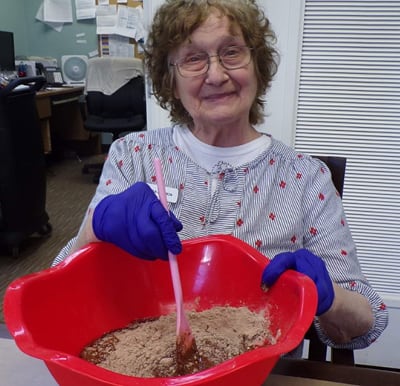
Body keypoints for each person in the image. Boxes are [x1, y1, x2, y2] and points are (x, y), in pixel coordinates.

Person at [53, 0, 387, 352]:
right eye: (193, 58)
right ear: (170, 77)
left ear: (257, 65)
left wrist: (330, 298)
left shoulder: (306, 178)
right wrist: (95, 226)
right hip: (141, 365)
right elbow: (61, 288)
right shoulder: (132, 156)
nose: (215, 75)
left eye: (232, 52)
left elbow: (367, 323)